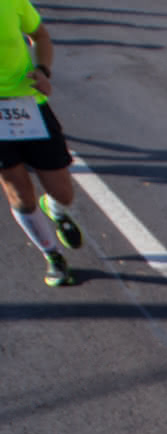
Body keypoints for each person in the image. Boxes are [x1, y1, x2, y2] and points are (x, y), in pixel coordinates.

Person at [1, 0, 83, 288]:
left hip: (29, 105)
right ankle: (54, 256)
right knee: (19, 191)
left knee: (63, 192)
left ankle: (56, 210)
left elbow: (41, 36)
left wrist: (43, 70)